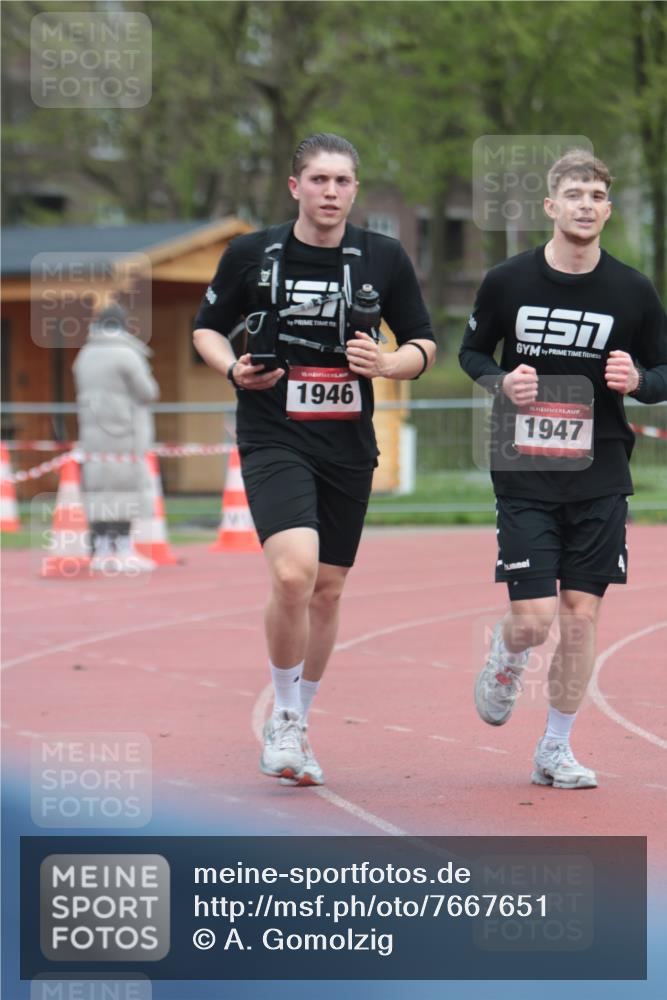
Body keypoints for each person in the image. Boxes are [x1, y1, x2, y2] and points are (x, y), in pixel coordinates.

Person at [193, 132, 435, 786]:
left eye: (343, 182)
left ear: (355, 190)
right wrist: (234, 369)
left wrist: (388, 362)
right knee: (294, 575)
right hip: (274, 432)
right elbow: (206, 329)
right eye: (319, 180)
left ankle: (299, 716)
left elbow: (423, 343)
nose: (331, 192)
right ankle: (282, 715)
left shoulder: (382, 257)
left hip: (347, 441)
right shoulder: (252, 254)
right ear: (295, 186)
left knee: (327, 589)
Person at [459, 149, 667, 789]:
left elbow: (662, 374)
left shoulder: (632, 290)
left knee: (581, 615)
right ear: (551, 206)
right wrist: (499, 381)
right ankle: (505, 651)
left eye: (596, 195)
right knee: (534, 619)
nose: (585, 205)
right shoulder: (507, 281)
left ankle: (555, 747)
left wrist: (638, 380)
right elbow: (471, 350)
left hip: (601, 469)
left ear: (607, 208)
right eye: (573, 193)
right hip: (523, 466)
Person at [73, 302, 159, 573]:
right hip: (124, 432)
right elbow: (148, 392)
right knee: (125, 489)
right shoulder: (126, 353)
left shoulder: (85, 354)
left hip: (92, 432)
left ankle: (99, 549)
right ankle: (122, 548)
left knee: (99, 490)